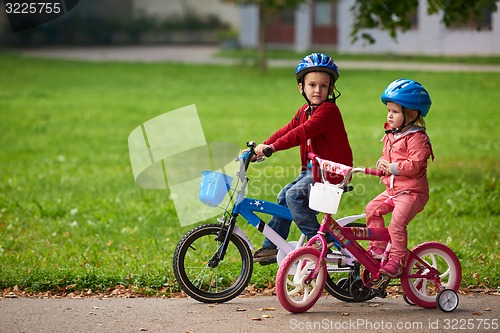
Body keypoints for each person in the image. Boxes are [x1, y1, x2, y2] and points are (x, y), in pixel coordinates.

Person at [252, 53, 353, 264]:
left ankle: (318, 240)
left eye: (324, 86)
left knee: (294, 196)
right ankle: (272, 246)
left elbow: (301, 133)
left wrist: (273, 148)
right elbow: (287, 129)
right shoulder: (305, 110)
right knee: (283, 196)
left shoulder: (328, 111)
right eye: (312, 85)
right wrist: (262, 147)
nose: (318, 90)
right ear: (302, 87)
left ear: (331, 89)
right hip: (313, 171)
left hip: (332, 172)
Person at [366, 78, 434, 277]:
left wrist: (393, 167)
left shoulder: (418, 138)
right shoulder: (392, 134)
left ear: (411, 114)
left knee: (396, 224)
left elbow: (415, 164)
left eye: (395, 112)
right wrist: (381, 162)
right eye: (389, 110)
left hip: (412, 192)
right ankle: (378, 249)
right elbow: (388, 157)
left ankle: (397, 260)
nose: (390, 115)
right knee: (372, 209)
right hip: (393, 190)